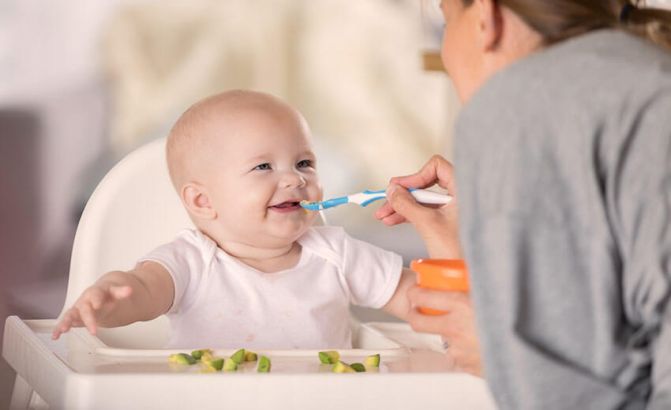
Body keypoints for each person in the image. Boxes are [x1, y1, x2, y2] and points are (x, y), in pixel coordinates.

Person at [376, 0, 671, 408]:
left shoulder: (517, 101)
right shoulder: (647, 75)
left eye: (446, 20)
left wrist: (504, 353)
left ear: (486, 16)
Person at [52, 90, 415, 349]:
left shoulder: (337, 253)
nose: (294, 179)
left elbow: (410, 294)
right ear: (203, 201)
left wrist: (444, 283)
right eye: (263, 166)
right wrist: (109, 299)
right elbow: (143, 290)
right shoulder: (191, 261)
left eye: (304, 163)